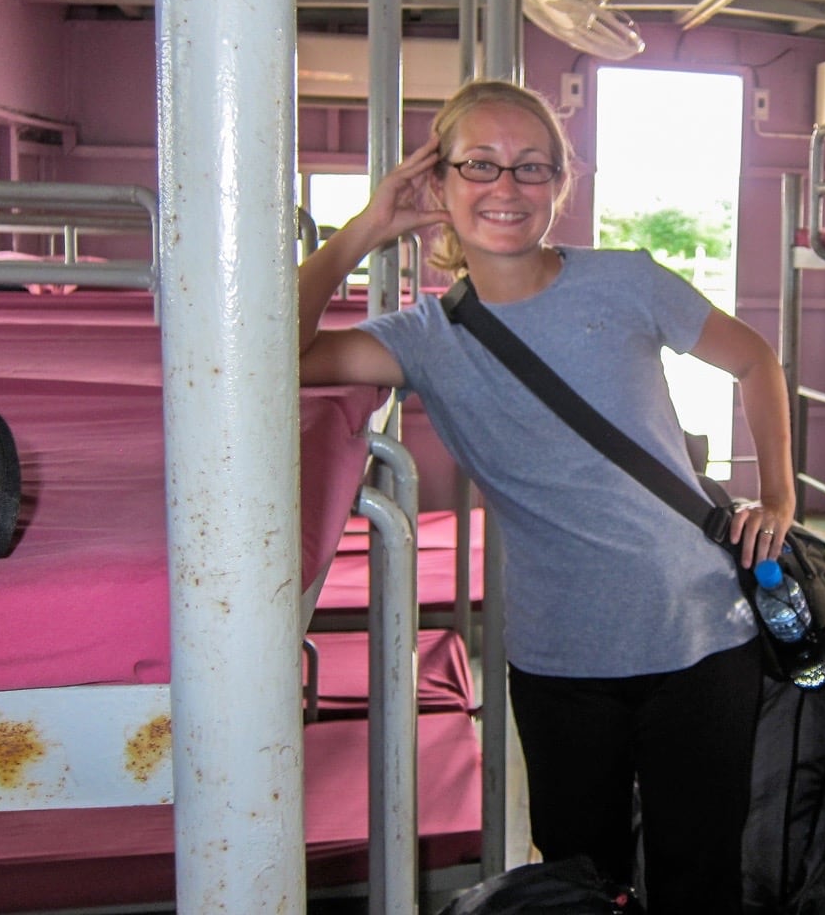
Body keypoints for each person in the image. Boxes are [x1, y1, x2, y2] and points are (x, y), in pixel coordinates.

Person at [299, 79, 796, 914]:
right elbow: (266, 352)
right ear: (441, 184)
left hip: (702, 634)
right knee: (579, 882)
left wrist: (777, 495)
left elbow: (755, 360)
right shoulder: (422, 339)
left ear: (561, 185)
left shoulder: (628, 283)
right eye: (480, 166)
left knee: (699, 876)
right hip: (561, 655)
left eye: (531, 168)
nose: (506, 189)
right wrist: (365, 229)